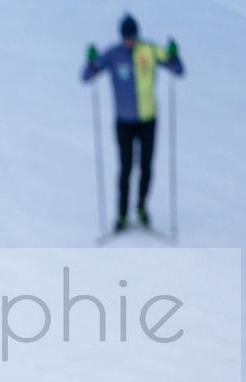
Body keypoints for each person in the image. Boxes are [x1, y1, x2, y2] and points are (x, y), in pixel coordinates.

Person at [82, 14, 184, 230]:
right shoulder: (113, 54)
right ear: (121, 37)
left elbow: (177, 69)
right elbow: (88, 75)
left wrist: (174, 55)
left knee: (146, 166)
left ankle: (141, 207)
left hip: (148, 120)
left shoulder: (150, 50)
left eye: (133, 37)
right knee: (126, 167)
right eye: (127, 38)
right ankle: (121, 215)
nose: (130, 41)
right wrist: (91, 61)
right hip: (124, 122)